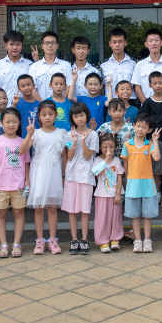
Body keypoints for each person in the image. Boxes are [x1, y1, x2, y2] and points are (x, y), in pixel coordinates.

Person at [0, 107, 31, 258]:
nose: (11, 125)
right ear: (2, 123)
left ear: (19, 123)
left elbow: (26, 162)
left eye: (14, 121)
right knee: (0, 213)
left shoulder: (23, 142)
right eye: (8, 122)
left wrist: (27, 180)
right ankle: (3, 244)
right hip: (0, 185)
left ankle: (16, 243)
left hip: (18, 185)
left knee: (19, 212)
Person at [26, 101, 67, 255]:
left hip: (54, 172)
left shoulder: (62, 133)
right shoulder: (35, 133)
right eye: (44, 114)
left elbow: (64, 156)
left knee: (52, 207)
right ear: (39, 116)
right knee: (38, 207)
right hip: (38, 173)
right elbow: (23, 151)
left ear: (56, 115)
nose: (47, 117)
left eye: (50, 114)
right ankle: (39, 240)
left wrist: (63, 176)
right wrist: (29, 134)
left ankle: (52, 240)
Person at [121, 114, 162, 253]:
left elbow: (157, 157)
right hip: (132, 183)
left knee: (147, 215)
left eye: (144, 127)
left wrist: (155, 141)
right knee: (134, 215)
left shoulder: (150, 145)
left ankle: (147, 240)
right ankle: (138, 240)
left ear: (149, 130)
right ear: (134, 126)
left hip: (148, 184)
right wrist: (128, 181)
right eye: (138, 126)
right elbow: (125, 165)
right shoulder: (127, 145)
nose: (140, 129)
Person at [63, 103, 99, 256]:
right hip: (71, 175)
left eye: (82, 115)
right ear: (72, 118)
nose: (79, 118)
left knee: (85, 209)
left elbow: (88, 156)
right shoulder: (69, 134)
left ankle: (84, 239)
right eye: (76, 116)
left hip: (86, 175)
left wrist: (83, 141)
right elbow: (70, 157)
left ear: (87, 116)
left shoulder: (93, 134)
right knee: (72, 210)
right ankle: (74, 239)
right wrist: (74, 142)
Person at [137, 71, 162, 208]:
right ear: (150, 85)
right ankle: (156, 194)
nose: (158, 85)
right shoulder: (147, 102)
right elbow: (143, 120)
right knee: (156, 169)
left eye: (160, 83)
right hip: (155, 140)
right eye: (155, 83)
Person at [93, 135, 125, 252]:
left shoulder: (117, 160)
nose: (108, 150)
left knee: (115, 218)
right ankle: (103, 241)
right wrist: (106, 160)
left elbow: (120, 177)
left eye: (111, 147)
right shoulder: (97, 160)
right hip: (102, 194)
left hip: (115, 195)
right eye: (105, 147)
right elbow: (98, 173)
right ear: (100, 147)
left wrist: (118, 194)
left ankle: (115, 239)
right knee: (102, 219)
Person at [0, 30, 33, 107]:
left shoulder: (30, 65)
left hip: (25, 107)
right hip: (4, 108)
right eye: (11, 44)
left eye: (18, 44)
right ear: (6, 45)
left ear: (22, 45)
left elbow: (33, 89)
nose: (15, 47)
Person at [132, 28, 162, 101]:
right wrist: (147, 105)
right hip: (146, 106)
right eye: (150, 41)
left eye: (156, 40)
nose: (154, 43)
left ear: (161, 42)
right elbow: (137, 88)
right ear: (146, 44)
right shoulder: (139, 65)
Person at [29, 31, 72, 101]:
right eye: (46, 43)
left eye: (53, 43)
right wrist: (42, 104)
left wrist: (60, 103)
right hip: (40, 105)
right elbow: (32, 89)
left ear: (57, 46)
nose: (50, 45)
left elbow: (69, 86)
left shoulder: (66, 65)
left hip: (61, 106)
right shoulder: (34, 66)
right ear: (42, 46)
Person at [100, 28, 136, 99]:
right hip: (111, 102)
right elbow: (102, 86)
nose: (117, 45)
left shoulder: (134, 64)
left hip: (129, 102)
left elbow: (136, 86)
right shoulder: (103, 65)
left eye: (120, 42)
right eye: (114, 42)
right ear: (110, 44)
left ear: (125, 43)